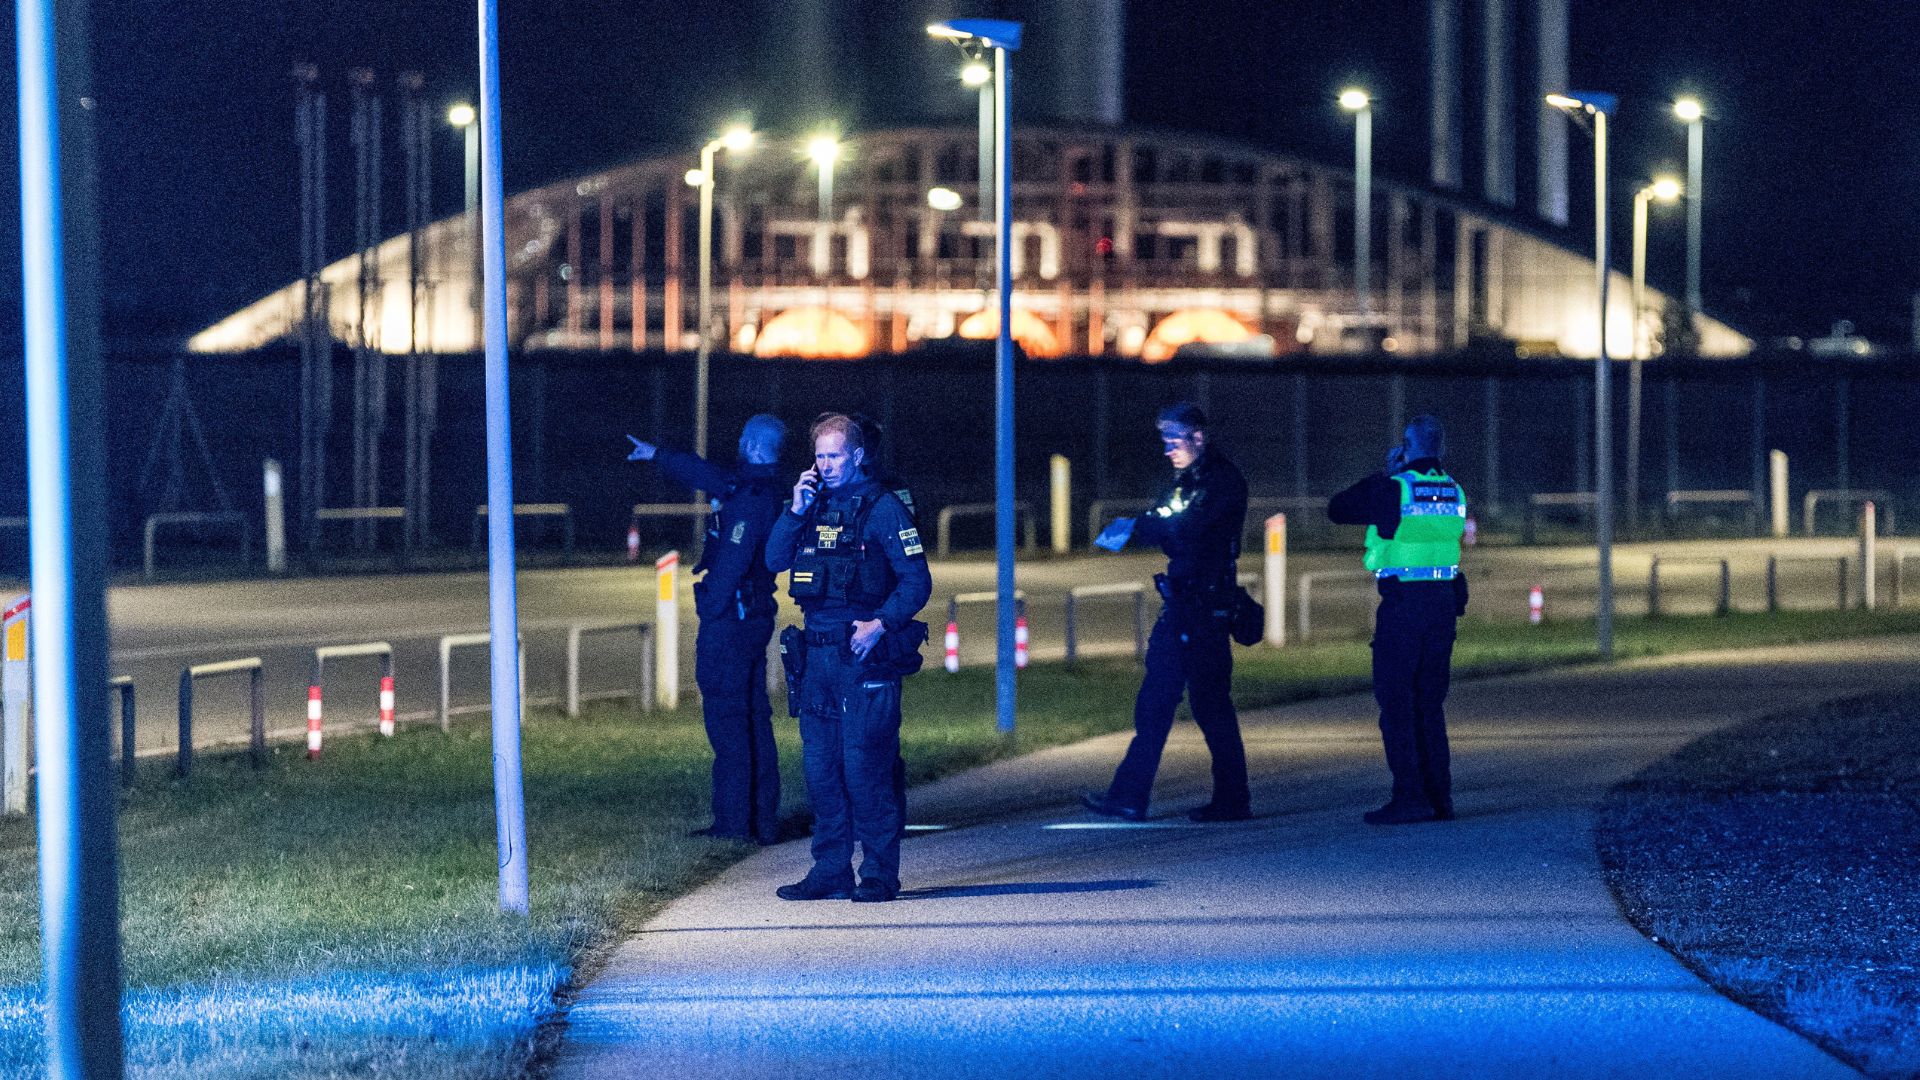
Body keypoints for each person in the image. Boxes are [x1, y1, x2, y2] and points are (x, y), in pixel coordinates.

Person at [765, 413, 932, 902]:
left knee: (865, 769)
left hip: (863, 657)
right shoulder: (812, 504)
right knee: (821, 771)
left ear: (856, 456)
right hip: (816, 659)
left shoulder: (883, 507)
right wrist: (795, 511)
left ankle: (878, 873)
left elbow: (917, 581)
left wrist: (880, 624)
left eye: (835, 455)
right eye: (819, 456)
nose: (826, 464)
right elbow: (774, 560)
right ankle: (830, 869)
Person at [1081, 402, 1253, 823]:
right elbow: (1162, 518)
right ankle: (1129, 796)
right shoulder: (1185, 481)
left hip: (1206, 608)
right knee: (1157, 701)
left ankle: (1231, 799)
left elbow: (1188, 530)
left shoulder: (1222, 481)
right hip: (1182, 605)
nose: (1167, 449)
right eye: (1164, 440)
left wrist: (1141, 529)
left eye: (1173, 440)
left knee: (1210, 706)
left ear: (1198, 437)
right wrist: (1134, 526)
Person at [627, 415, 788, 845]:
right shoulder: (760, 488)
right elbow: (708, 475)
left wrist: (712, 610)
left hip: (732, 623)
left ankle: (734, 825)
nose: (738, 442)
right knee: (753, 718)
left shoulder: (750, 500)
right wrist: (659, 455)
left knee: (728, 720)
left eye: (743, 437)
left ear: (753, 444)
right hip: (752, 618)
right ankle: (761, 820)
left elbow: (731, 566)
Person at [1327, 414, 1470, 825]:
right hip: (1443, 604)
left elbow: (1338, 509)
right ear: (1441, 447)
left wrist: (1385, 473)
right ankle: (1439, 798)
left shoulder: (1396, 488)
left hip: (1404, 606)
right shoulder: (1454, 489)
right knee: (1429, 705)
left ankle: (1409, 797)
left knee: (1396, 705)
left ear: (1406, 446)